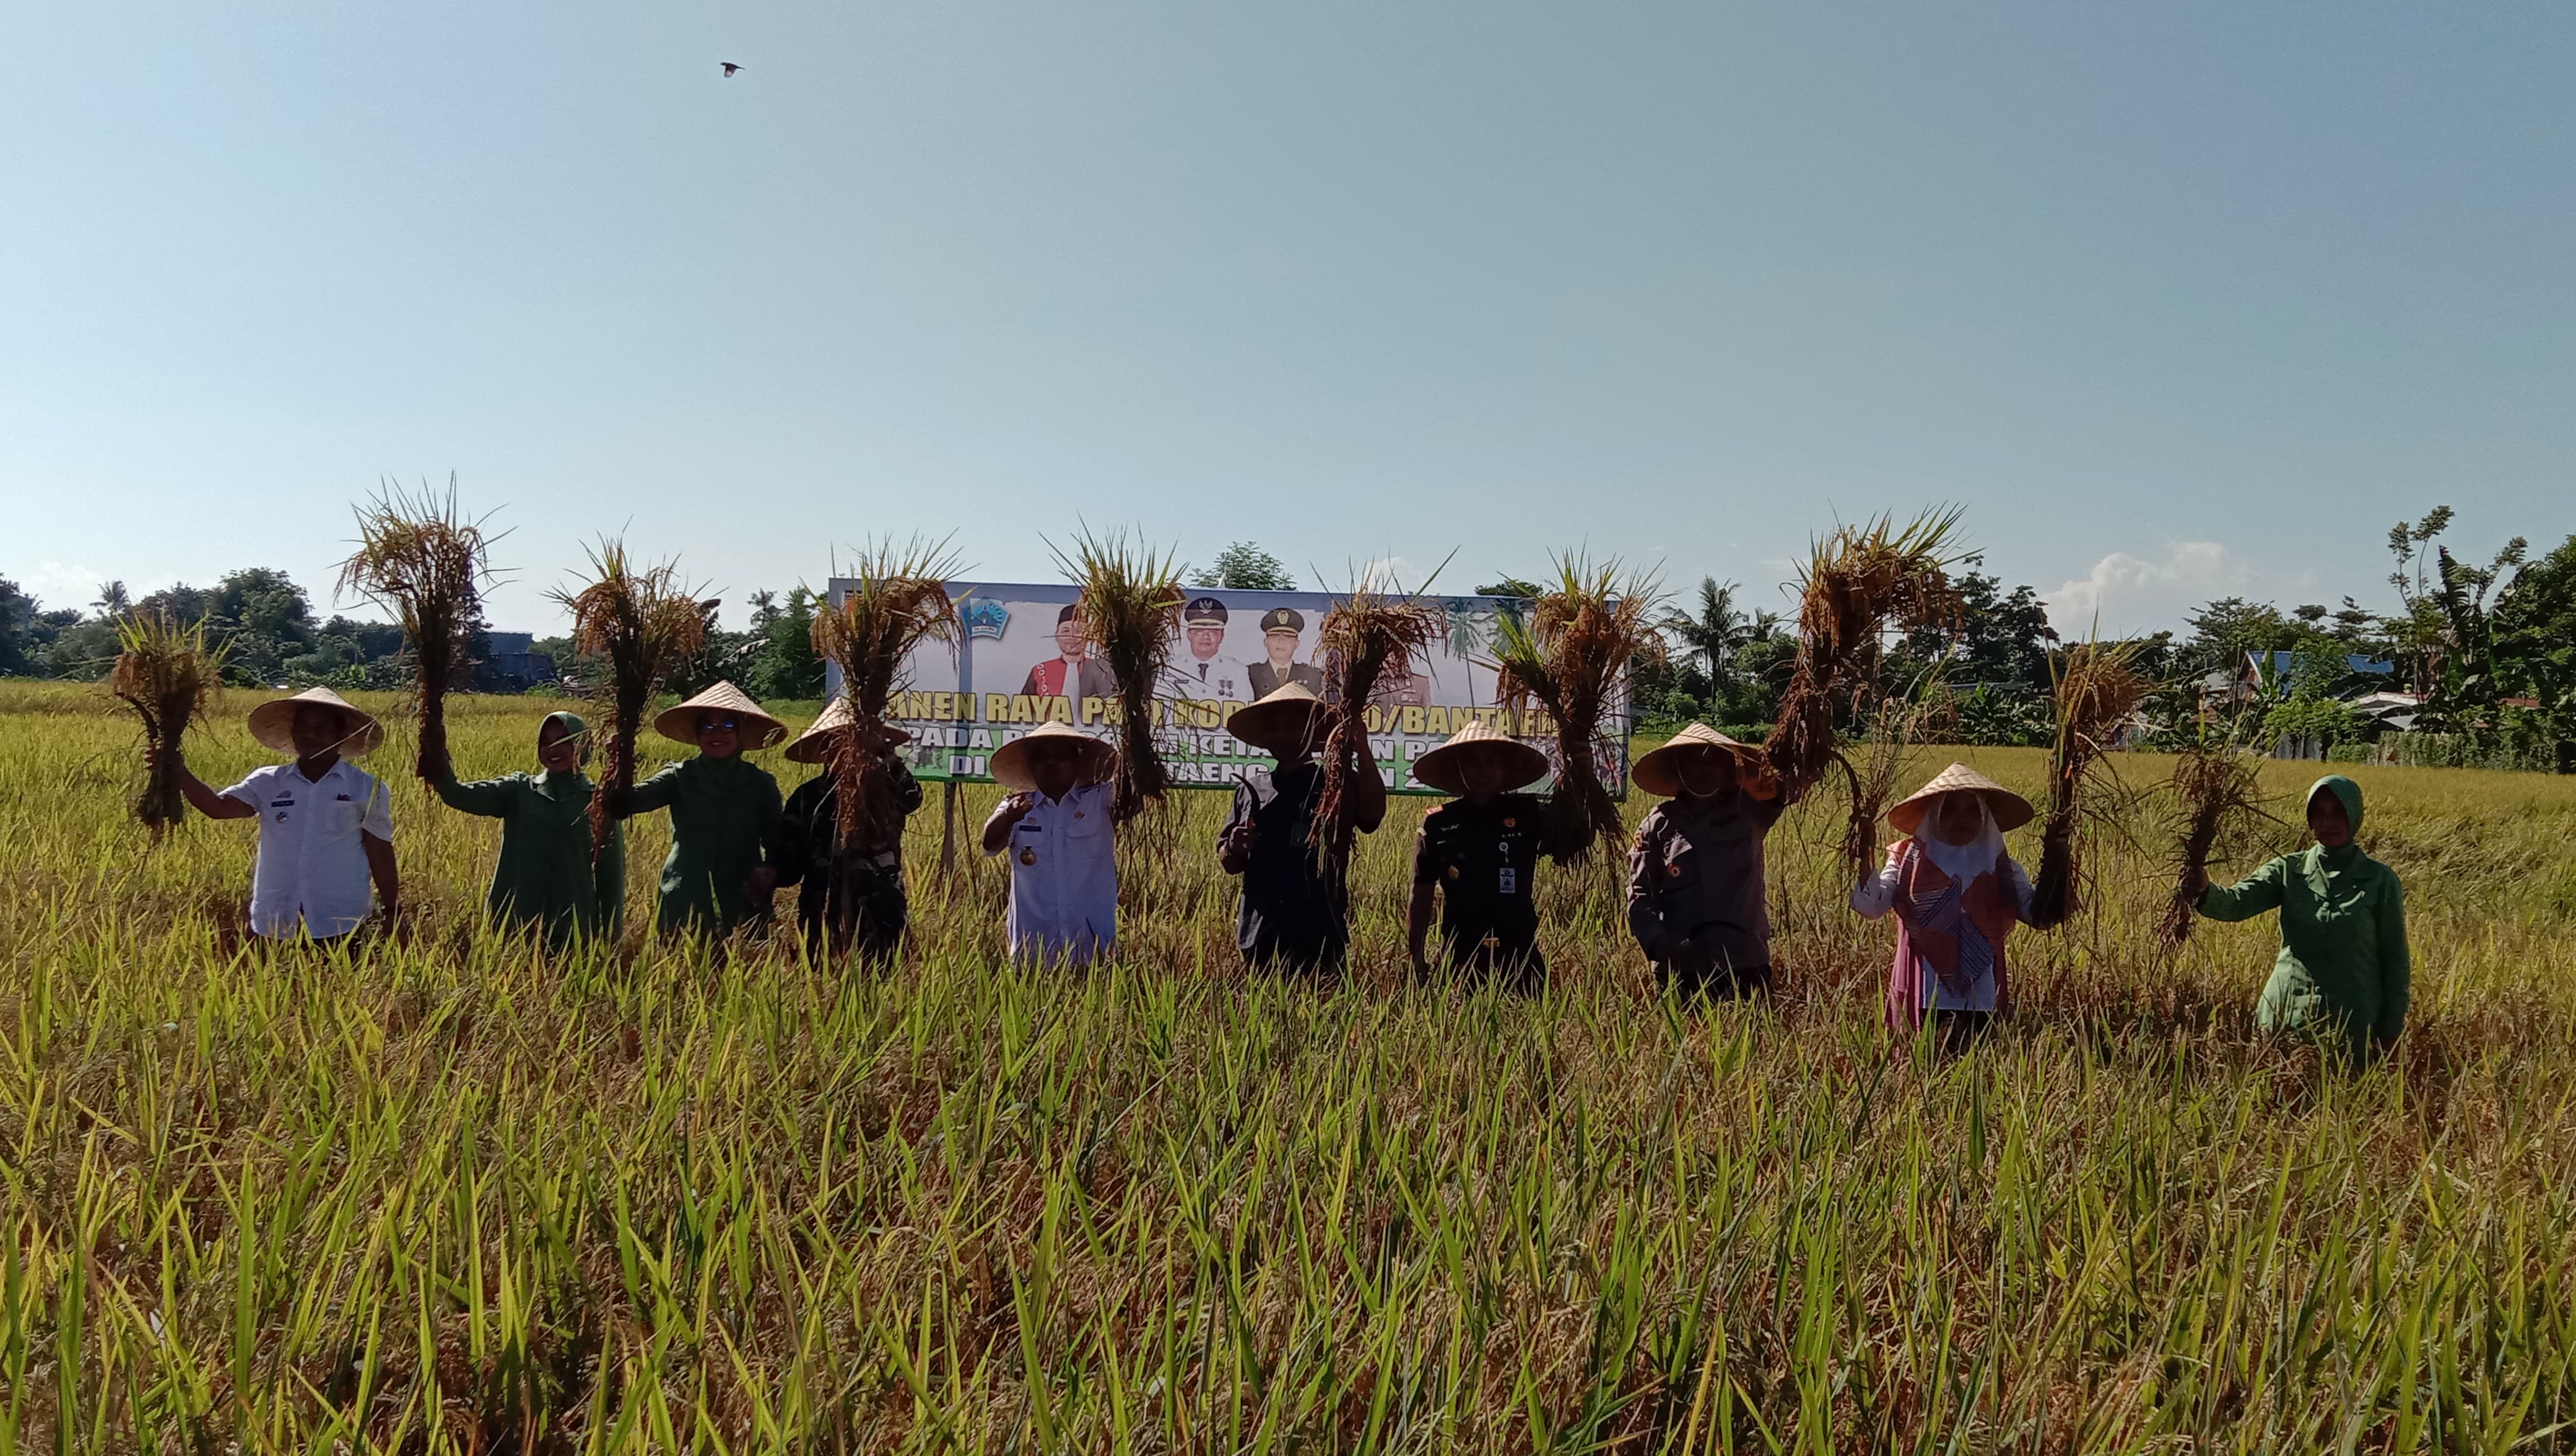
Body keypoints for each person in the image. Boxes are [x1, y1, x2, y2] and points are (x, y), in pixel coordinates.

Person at [2190, 774, 2409, 1062]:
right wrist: (2203, 889)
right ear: (2309, 819)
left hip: (2352, 1023)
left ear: (2355, 815)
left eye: (2338, 813)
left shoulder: (2380, 880)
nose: (2328, 823)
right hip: (2286, 1014)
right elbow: (2236, 904)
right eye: (2319, 813)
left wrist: (2391, 1029)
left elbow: (2395, 960)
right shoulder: (2288, 870)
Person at [156, 686, 399, 942]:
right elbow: (218, 808)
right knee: (269, 980)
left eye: (321, 727)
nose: (310, 734)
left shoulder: (365, 787)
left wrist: (392, 911)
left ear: (341, 735)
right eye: (303, 727)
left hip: (341, 920)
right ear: (292, 733)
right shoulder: (268, 782)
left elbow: (380, 851)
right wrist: (179, 773)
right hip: (274, 918)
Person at [1848, 764, 2038, 1051]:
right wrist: (1865, 858)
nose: (1961, 819)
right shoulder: (1904, 859)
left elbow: (2037, 913)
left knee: (1979, 1067)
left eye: (1972, 811)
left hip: (1981, 992)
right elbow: (1872, 906)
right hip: (1924, 988)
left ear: (1985, 817)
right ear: (1934, 814)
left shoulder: (2001, 867)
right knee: (1922, 1066)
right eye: (1950, 810)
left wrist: (2058, 865)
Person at [1218, 681, 1386, 976]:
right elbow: (1230, 863)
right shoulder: (1251, 789)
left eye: (1294, 727)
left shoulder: (1335, 783)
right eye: (1276, 728)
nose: (1283, 736)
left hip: (1320, 929)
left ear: (1313, 733)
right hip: (1261, 933)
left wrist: (1361, 747)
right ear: (1266, 736)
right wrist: (1234, 845)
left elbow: (1372, 818)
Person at [425, 709, 625, 950]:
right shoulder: (519, 791)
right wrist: (434, 753)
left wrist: (611, 937)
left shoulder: (599, 802)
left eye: (563, 741)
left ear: (583, 745)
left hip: (572, 928)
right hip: (515, 924)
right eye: (545, 742)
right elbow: (458, 795)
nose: (553, 749)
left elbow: (611, 875)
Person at [1625, 723, 1796, 998]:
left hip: (1744, 960)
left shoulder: (1752, 812)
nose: (1703, 771)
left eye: (1713, 763)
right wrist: (1661, 943)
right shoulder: (1656, 825)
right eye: (1693, 763)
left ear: (1728, 770)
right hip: (1682, 965)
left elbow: (1790, 785)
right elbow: (1640, 895)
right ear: (1678, 769)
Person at [614, 681, 785, 941]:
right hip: (685, 894)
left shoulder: (761, 784)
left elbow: (776, 841)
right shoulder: (679, 777)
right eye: (708, 726)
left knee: (744, 975)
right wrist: (620, 761)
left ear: (740, 732)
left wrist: (768, 872)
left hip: (742, 895)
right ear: (697, 734)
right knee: (682, 973)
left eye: (727, 725)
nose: (717, 733)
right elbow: (627, 804)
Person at [769, 697, 921, 964]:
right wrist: (767, 876)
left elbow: (913, 799)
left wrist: (887, 756)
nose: (848, 750)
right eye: (838, 743)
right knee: (821, 980)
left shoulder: (885, 788)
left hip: (882, 909)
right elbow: (789, 863)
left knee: (884, 981)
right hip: (822, 909)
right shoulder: (807, 797)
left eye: (857, 742)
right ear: (825, 749)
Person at [1406, 721, 1554, 989]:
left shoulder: (1530, 814)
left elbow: (1576, 839)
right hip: (1460, 954)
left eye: (1491, 762)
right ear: (1458, 769)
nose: (1482, 772)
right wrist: (1416, 954)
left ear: (1505, 768)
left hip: (1519, 954)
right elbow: (1422, 890)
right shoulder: (1437, 824)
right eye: (1473, 763)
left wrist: (1582, 768)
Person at [981, 721, 1120, 966]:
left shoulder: (1102, 800)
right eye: (1041, 757)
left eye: (1060, 756)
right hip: (1033, 949)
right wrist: (1009, 817)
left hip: (1093, 947)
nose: (1051, 763)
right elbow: (989, 846)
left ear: (1076, 762)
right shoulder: (1016, 805)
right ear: (1030, 766)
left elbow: (1134, 801)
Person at [1020, 602, 1117, 702]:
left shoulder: (1102, 670)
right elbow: (1023, 709)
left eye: (1079, 631)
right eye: (1066, 631)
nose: (1072, 637)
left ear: (1088, 636)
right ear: (1057, 636)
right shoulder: (1039, 671)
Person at [1158, 596, 1248, 701]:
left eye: (1213, 632)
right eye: (1199, 631)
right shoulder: (1171, 669)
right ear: (1189, 634)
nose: (1206, 637)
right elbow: (1159, 709)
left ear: (1222, 636)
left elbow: (1246, 712)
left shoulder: (1238, 671)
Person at [1246, 607, 1325, 699]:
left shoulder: (1313, 676)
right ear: (1266, 642)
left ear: (1297, 644)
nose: (1281, 642)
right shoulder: (1251, 674)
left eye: (1288, 637)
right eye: (1275, 637)